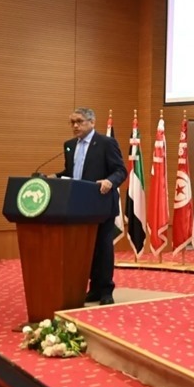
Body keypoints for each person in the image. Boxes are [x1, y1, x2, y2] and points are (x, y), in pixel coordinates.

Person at [55, 107, 127, 306]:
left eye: (79, 121)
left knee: (102, 248)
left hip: (101, 204)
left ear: (92, 122)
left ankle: (105, 290)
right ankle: (93, 289)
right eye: (72, 122)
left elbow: (120, 170)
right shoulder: (69, 145)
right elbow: (71, 173)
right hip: (78, 206)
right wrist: (54, 177)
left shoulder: (106, 143)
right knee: (85, 249)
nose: (75, 126)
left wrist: (110, 181)